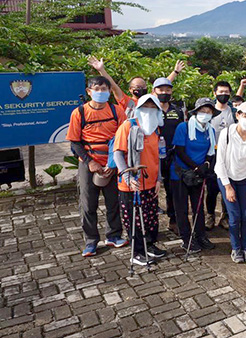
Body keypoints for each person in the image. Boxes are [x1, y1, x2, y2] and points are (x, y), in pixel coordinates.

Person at [67, 76, 127, 257]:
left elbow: (123, 138)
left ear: (109, 92)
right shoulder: (80, 113)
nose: (101, 92)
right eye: (97, 88)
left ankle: (114, 235)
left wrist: (114, 162)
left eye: (104, 89)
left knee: (114, 200)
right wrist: (89, 162)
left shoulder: (117, 111)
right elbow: (74, 143)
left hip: (112, 161)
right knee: (88, 203)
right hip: (88, 162)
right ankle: (91, 241)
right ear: (89, 91)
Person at [113, 94, 168, 265]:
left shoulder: (155, 130)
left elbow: (157, 155)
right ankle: (136, 252)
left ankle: (149, 245)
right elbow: (118, 154)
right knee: (133, 218)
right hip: (132, 184)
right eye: (145, 107)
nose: (149, 111)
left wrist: (158, 179)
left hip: (150, 182)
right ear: (139, 109)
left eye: (153, 108)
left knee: (150, 217)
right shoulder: (128, 126)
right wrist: (127, 176)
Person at [215, 101, 246, 264]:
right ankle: (236, 249)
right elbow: (219, 162)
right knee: (234, 216)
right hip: (226, 177)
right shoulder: (227, 133)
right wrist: (228, 187)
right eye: (245, 116)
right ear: (238, 115)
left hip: (245, 178)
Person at [171, 98, 218, 253]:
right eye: (202, 111)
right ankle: (186, 239)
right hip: (181, 174)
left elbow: (211, 152)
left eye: (208, 112)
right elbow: (179, 150)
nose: (205, 115)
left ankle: (200, 235)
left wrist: (205, 166)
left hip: (199, 174)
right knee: (182, 208)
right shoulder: (183, 127)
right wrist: (195, 167)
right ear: (196, 112)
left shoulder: (210, 130)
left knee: (198, 207)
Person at [87, 56, 184, 117]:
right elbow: (113, 86)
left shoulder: (149, 99)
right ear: (130, 89)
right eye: (137, 87)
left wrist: (175, 72)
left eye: (143, 86)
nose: (140, 89)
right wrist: (101, 70)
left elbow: (161, 88)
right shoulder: (127, 102)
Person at [152, 77, 185, 235]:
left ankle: (174, 221)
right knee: (152, 190)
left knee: (173, 190)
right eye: (161, 90)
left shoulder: (177, 111)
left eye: (167, 90)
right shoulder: (150, 110)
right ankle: (151, 223)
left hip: (173, 157)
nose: (164, 93)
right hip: (153, 157)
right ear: (154, 91)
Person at [207, 80, 241, 231]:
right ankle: (210, 215)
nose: (223, 95)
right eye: (220, 92)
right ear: (215, 93)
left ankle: (225, 216)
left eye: (226, 92)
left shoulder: (233, 112)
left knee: (227, 186)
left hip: (230, 155)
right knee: (212, 188)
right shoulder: (209, 111)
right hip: (212, 154)